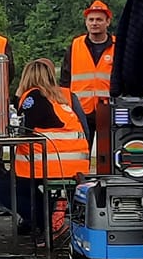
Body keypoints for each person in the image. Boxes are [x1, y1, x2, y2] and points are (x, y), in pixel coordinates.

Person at [10, 58, 91, 238]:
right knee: (25, 186)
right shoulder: (65, 96)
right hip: (76, 165)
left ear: (27, 77)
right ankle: (51, 214)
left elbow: (24, 130)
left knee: (4, 186)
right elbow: (85, 128)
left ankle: (43, 221)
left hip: (49, 165)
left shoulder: (32, 97)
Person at [62, 0, 115, 150]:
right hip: (80, 108)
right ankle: (82, 173)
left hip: (109, 107)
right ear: (86, 22)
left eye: (99, 19)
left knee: (110, 151)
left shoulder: (118, 46)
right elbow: (65, 79)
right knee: (82, 148)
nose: (94, 23)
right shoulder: (75, 46)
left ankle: (109, 174)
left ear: (108, 22)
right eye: (91, 19)